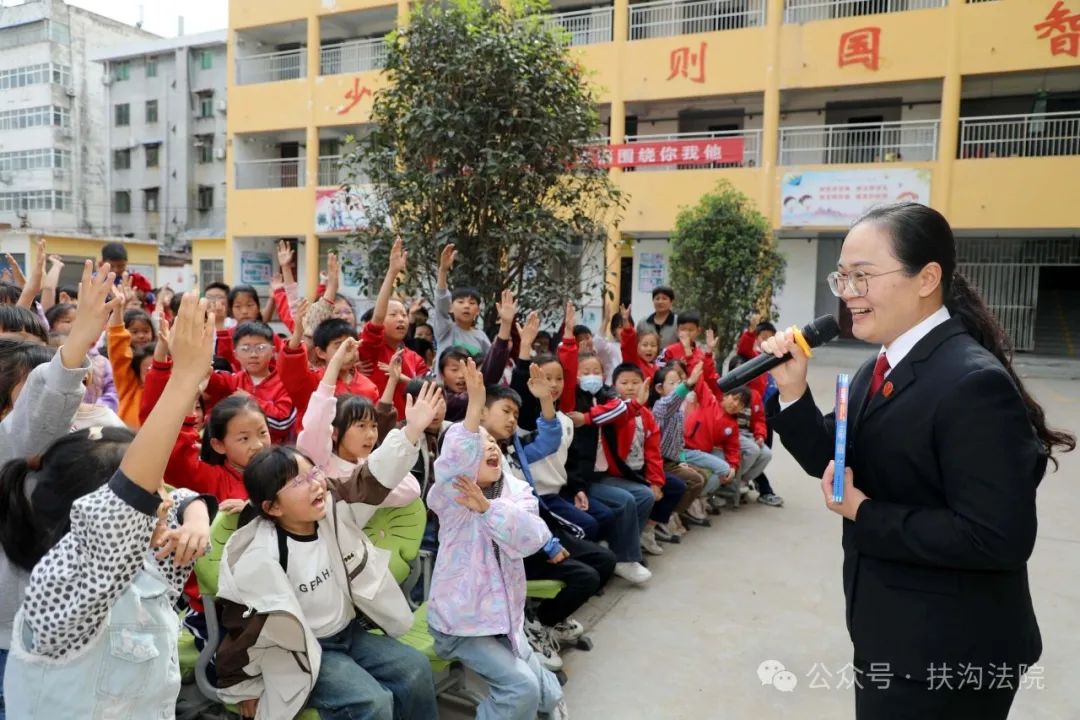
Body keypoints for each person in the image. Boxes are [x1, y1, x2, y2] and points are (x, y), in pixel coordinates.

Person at [761, 202, 1075, 720]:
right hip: (891, 632)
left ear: (927, 277)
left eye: (864, 277)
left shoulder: (972, 383)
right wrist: (793, 394)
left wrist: (866, 513)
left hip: (949, 651)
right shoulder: (875, 368)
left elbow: (996, 537)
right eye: (843, 277)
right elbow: (838, 463)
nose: (849, 294)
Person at [2, 290, 217, 719]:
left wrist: (194, 514)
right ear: (90, 513)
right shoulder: (63, 587)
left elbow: (160, 496)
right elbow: (131, 498)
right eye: (152, 498)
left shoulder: (151, 564)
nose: (163, 504)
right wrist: (182, 381)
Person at [215, 393, 442, 720]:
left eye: (312, 474)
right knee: (372, 702)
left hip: (349, 633)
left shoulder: (331, 510)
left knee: (416, 669)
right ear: (273, 507)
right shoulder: (259, 555)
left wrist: (411, 431)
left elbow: (371, 480)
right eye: (298, 483)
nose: (314, 485)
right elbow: (240, 625)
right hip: (306, 653)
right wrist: (245, 688)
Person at [427, 359, 567, 720]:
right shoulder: (452, 495)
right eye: (481, 442)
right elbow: (455, 457)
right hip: (461, 625)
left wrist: (489, 509)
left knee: (547, 696)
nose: (490, 447)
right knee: (522, 688)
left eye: (493, 443)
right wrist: (474, 410)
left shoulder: (514, 490)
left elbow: (532, 536)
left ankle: (546, 702)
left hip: (505, 622)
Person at [203, 320, 297, 444]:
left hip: (271, 455)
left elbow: (283, 423)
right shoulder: (232, 380)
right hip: (237, 453)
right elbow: (207, 379)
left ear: (273, 351)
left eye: (260, 348)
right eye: (245, 348)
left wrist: (251, 400)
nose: (253, 354)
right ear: (235, 354)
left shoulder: (284, 384)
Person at [433, 243, 491, 358]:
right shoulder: (445, 329)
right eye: (460, 302)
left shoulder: (481, 337)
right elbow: (441, 301)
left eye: (472, 303)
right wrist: (443, 271)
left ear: (478, 310)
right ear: (450, 307)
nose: (466, 306)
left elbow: (491, 364)